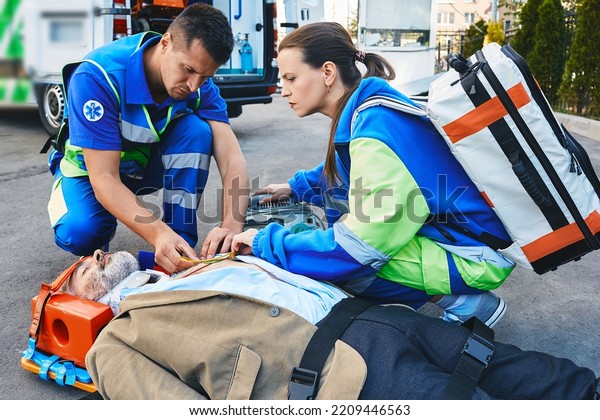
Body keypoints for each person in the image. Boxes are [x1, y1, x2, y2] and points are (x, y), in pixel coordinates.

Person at [231, 22, 516, 327]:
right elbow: (352, 170)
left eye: (291, 78)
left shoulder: (374, 130)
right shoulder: (369, 110)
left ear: (327, 73)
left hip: (474, 257)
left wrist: (266, 244)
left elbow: (355, 249)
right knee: (333, 239)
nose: (283, 89)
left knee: (338, 262)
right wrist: (297, 187)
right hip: (462, 237)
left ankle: (467, 304)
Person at [61, 249, 599, 399]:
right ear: (77, 303)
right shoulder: (113, 341)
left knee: (523, 370)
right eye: (82, 269)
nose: (96, 255)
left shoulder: (190, 268)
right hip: (333, 373)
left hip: (375, 320)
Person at [46, 3, 249, 274]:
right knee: (81, 231)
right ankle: (153, 236)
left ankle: (179, 247)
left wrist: (231, 227)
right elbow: (104, 178)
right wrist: (156, 233)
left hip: (141, 168)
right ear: (166, 43)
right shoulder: (97, 77)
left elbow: (233, 159)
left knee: (197, 131)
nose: (193, 85)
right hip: (92, 173)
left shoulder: (200, 86)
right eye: (188, 69)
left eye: (204, 76)